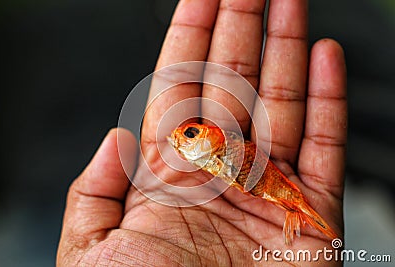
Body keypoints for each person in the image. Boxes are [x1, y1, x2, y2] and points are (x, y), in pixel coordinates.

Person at [57, 0, 347, 265]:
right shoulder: (212, 157)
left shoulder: (222, 152)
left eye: (192, 133)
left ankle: (300, 210)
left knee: (292, 197)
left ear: (214, 140)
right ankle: (301, 211)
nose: (183, 137)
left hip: (270, 185)